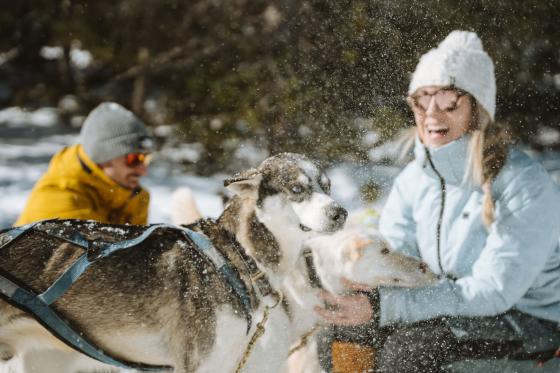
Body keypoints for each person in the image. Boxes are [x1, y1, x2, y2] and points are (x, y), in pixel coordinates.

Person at [315, 30, 560, 372]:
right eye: (421, 99)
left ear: (476, 109)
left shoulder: (522, 184)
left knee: (413, 352)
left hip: (532, 323)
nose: (431, 112)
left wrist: (387, 307)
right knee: (341, 333)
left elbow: (491, 292)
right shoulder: (414, 181)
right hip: (448, 306)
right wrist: (361, 287)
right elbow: (400, 262)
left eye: (448, 100)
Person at [16, 102, 155, 226]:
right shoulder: (60, 201)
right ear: (104, 157)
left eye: (146, 158)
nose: (143, 171)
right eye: (134, 159)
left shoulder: (134, 197)